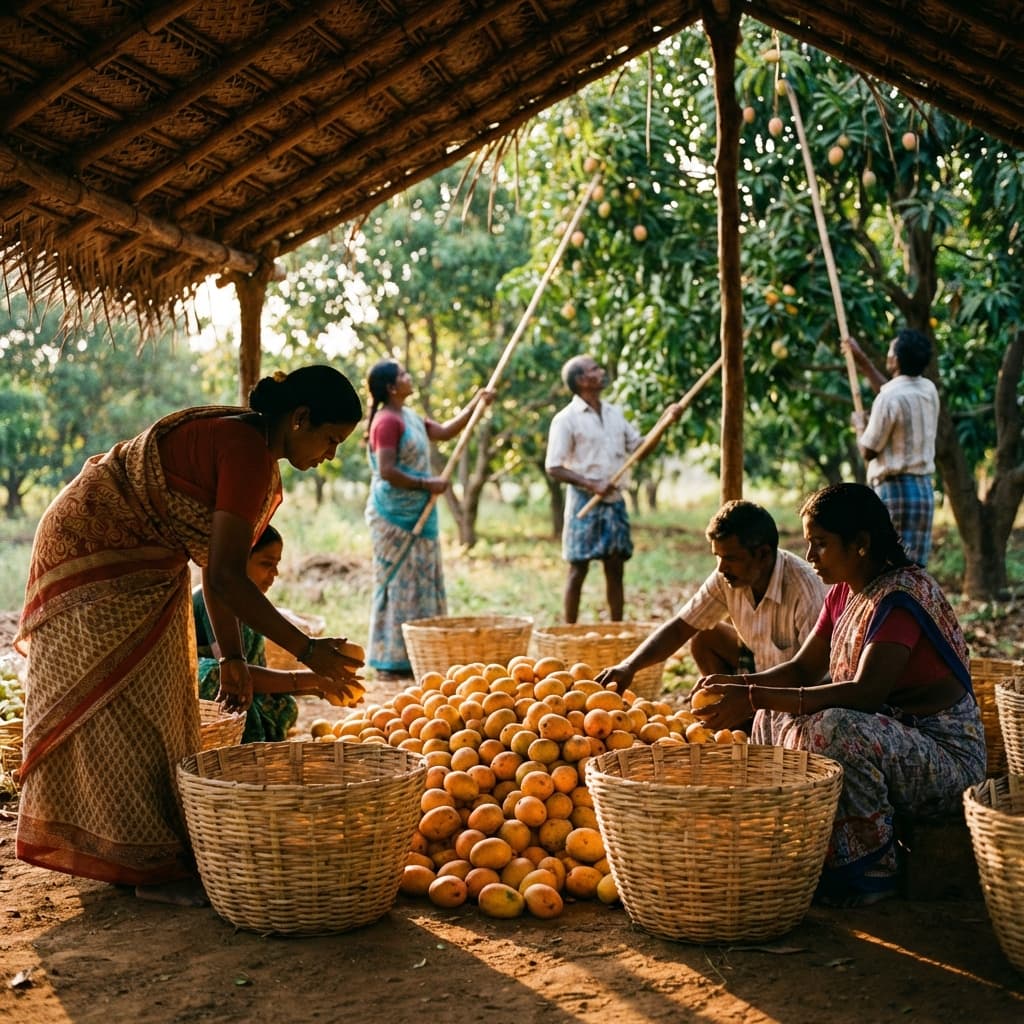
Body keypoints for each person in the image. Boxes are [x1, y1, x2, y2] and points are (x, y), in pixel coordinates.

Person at [15, 365, 366, 906]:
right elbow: (226, 576)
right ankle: (151, 869)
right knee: (133, 708)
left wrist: (231, 657)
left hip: (137, 554)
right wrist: (309, 651)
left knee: (160, 702)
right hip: (98, 544)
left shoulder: (249, 447)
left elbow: (215, 569)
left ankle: (145, 856)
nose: (330, 454)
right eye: (330, 439)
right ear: (299, 419)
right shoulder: (245, 451)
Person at [693, 483, 985, 907]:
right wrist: (738, 688)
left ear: (861, 544)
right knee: (769, 718)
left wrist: (755, 695)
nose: (810, 557)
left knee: (835, 728)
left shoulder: (900, 598)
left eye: (821, 545)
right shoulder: (844, 593)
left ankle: (871, 869)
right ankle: (796, 844)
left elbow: (865, 694)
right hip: (898, 739)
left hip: (946, 758)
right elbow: (801, 669)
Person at [596, 501, 826, 699]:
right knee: (705, 638)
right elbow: (680, 628)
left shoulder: (803, 589)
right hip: (757, 669)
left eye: (731, 558)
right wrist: (630, 665)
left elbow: (811, 673)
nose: (721, 568)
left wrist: (745, 691)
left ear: (763, 554)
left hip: (804, 689)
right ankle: (741, 722)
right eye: (717, 557)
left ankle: (746, 714)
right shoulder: (727, 577)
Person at [365, 359, 494, 678]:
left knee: (423, 578)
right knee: (399, 581)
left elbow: (446, 431)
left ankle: (421, 653)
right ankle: (391, 658)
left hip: (421, 511)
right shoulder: (386, 422)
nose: (410, 378)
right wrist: (427, 484)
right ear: (392, 388)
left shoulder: (409, 416)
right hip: (395, 514)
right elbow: (387, 471)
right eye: (404, 375)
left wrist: (475, 405)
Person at [193, 525, 340, 743]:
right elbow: (232, 674)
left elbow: (256, 675)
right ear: (236, 562)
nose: (275, 573)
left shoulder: (251, 609)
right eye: (266, 564)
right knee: (220, 680)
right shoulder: (211, 601)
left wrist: (317, 687)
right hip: (203, 689)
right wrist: (313, 679)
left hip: (241, 683)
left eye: (277, 565)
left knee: (285, 704)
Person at [545, 355, 643, 622]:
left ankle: (616, 630)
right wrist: (591, 484)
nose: (601, 372)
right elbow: (553, 467)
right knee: (578, 568)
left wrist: (666, 422)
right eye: (594, 369)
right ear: (581, 381)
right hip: (583, 501)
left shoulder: (615, 413)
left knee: (615, 568)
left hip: (614, 499)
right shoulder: (566, 419)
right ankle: (569, 631)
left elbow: (638, 448)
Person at [845, 329, 939, 566]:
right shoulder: (928, 390)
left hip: (893, 490)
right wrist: (861, 360)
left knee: (885, 564)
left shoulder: (889, 398)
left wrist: (860, 426)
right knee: (914, 567)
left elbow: (868, 450)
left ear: (895, 359)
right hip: (923, 490)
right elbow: (891, 391)